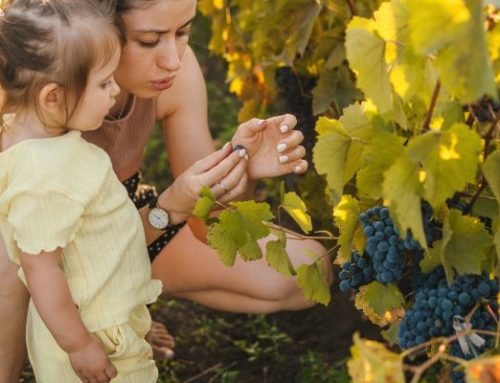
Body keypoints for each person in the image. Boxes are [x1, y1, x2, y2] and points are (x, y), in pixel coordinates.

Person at [0, 0, 332, 380]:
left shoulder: (175, 75)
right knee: (11, 260)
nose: (173, 59)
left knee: (310, 270)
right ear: (95, 25)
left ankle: (121, 308)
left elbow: (205, 227)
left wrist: (239, 167)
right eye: (149, 40)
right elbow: (45, 256)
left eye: (183, 32)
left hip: (123, 223)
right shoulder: (37, 107)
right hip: (37, 247)